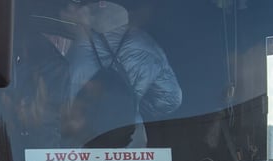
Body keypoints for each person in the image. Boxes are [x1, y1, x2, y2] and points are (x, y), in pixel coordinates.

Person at [59, 0, 182, 148]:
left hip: (78, 143)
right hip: (128, 141)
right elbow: (171, 100)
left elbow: (58, 97)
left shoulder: (77, 46)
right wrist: (133, 100)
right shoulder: (148, 47)